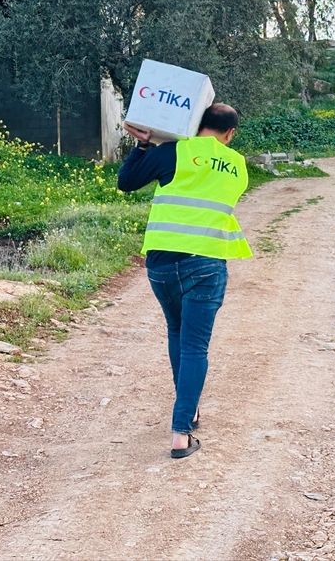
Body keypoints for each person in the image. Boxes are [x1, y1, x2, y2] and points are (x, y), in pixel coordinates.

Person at [117, 102, 252, 459]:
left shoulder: (173, 152)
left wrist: (145, 144)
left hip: (160, 263)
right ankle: (180, 434)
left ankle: (189, 412)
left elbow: (126, 183)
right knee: (195, 346)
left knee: (176, 334)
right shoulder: (238, 166)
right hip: (205, 263)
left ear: (196, 124)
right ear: (230, 134)